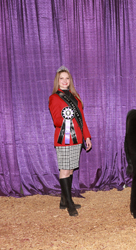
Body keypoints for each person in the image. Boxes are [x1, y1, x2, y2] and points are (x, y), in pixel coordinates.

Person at [49, 66, 92, 216]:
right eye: (62, 78)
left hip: (77, 139)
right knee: (64, 170)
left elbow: (82, 120)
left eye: (67, 78)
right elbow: (56, 120)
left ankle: (63, 200)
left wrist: (87, 136)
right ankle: (69, 204)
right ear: (57, 81)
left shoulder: (76, 96)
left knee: (71, 168)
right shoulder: (54, 97)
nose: (65, 81)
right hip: (64, 139)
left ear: (70, 80)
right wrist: (67, 116)